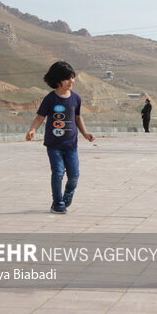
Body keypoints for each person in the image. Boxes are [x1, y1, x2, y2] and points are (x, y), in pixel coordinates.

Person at [26, 61, 95, 214]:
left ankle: (67, 195)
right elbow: (40, 117)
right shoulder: (50, 99)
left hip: (71, 145)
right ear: (58, 80)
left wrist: (85, 133)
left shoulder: (76, 98)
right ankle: (57, 203)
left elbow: (78, 118)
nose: (71, 81)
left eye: (72, 77)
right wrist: (32, 130)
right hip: (54, 145)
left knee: (74, 175)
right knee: (57, 172)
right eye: (67, 78)